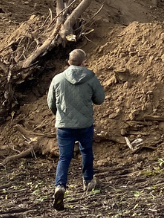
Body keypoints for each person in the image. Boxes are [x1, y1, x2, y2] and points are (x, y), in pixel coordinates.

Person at [47, 48, 105, 210]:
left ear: (68, 61)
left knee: (64, 158)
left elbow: (51, 103)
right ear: (83, 62)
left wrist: (60, 116)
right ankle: (88, 181)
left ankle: (60, 186)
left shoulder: (57, 79)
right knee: (86, 151)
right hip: (85, 125)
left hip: (64, 127)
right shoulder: (91, 77)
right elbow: (99, 99)